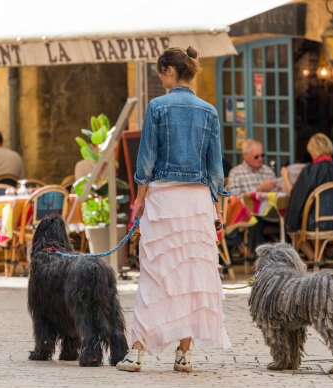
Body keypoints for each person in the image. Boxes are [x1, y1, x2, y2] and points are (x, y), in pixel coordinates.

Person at [116, 46, 230, 373]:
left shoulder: (157, 107)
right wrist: (216, 207)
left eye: (160, 74)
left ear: (168, 70)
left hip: (165, 198)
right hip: (197, 203)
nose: (160, 80)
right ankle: (184, 355)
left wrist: (139, 199)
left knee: (156, 275)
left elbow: (146, 160)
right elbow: (215, 169)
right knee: (191, 276)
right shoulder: (208, 111)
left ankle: (136, 352)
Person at [284, 133, 333, 260]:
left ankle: (315, 258)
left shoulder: (309, 171)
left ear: (312, 151)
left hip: (315, 223)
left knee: (294, 229)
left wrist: (291, 223)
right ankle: (324, 256)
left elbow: (296, 199)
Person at [227, 139, 281, 252]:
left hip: (268, 211)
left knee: (287, 217)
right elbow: (233, 198)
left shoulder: (267, 171)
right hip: (247, 213)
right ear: (245, 155)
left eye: (262, 155)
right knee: (255, 221)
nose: (260, 159)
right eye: (256, 156)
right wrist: (259, 189)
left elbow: (276, 194)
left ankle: (284, 257)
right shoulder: (236, 172)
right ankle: (259, 259)